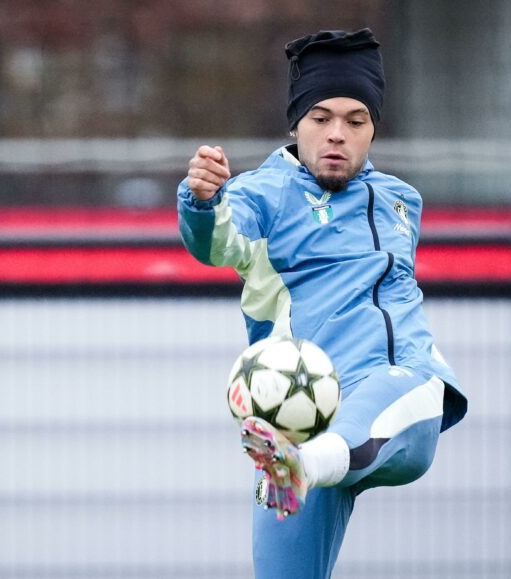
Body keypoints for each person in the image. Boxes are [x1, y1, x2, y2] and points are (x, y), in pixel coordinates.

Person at [176, 29, 467, 578]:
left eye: (355, 121)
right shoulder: (261, 195)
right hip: (298, 423)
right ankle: (300, 465)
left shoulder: (403, 201)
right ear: (295, 123)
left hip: (404, 388)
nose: (337, 134)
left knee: (392, 393)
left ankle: (302, 466)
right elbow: (217, 242)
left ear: (373, 128)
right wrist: (201, 200)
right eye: (320, 117)